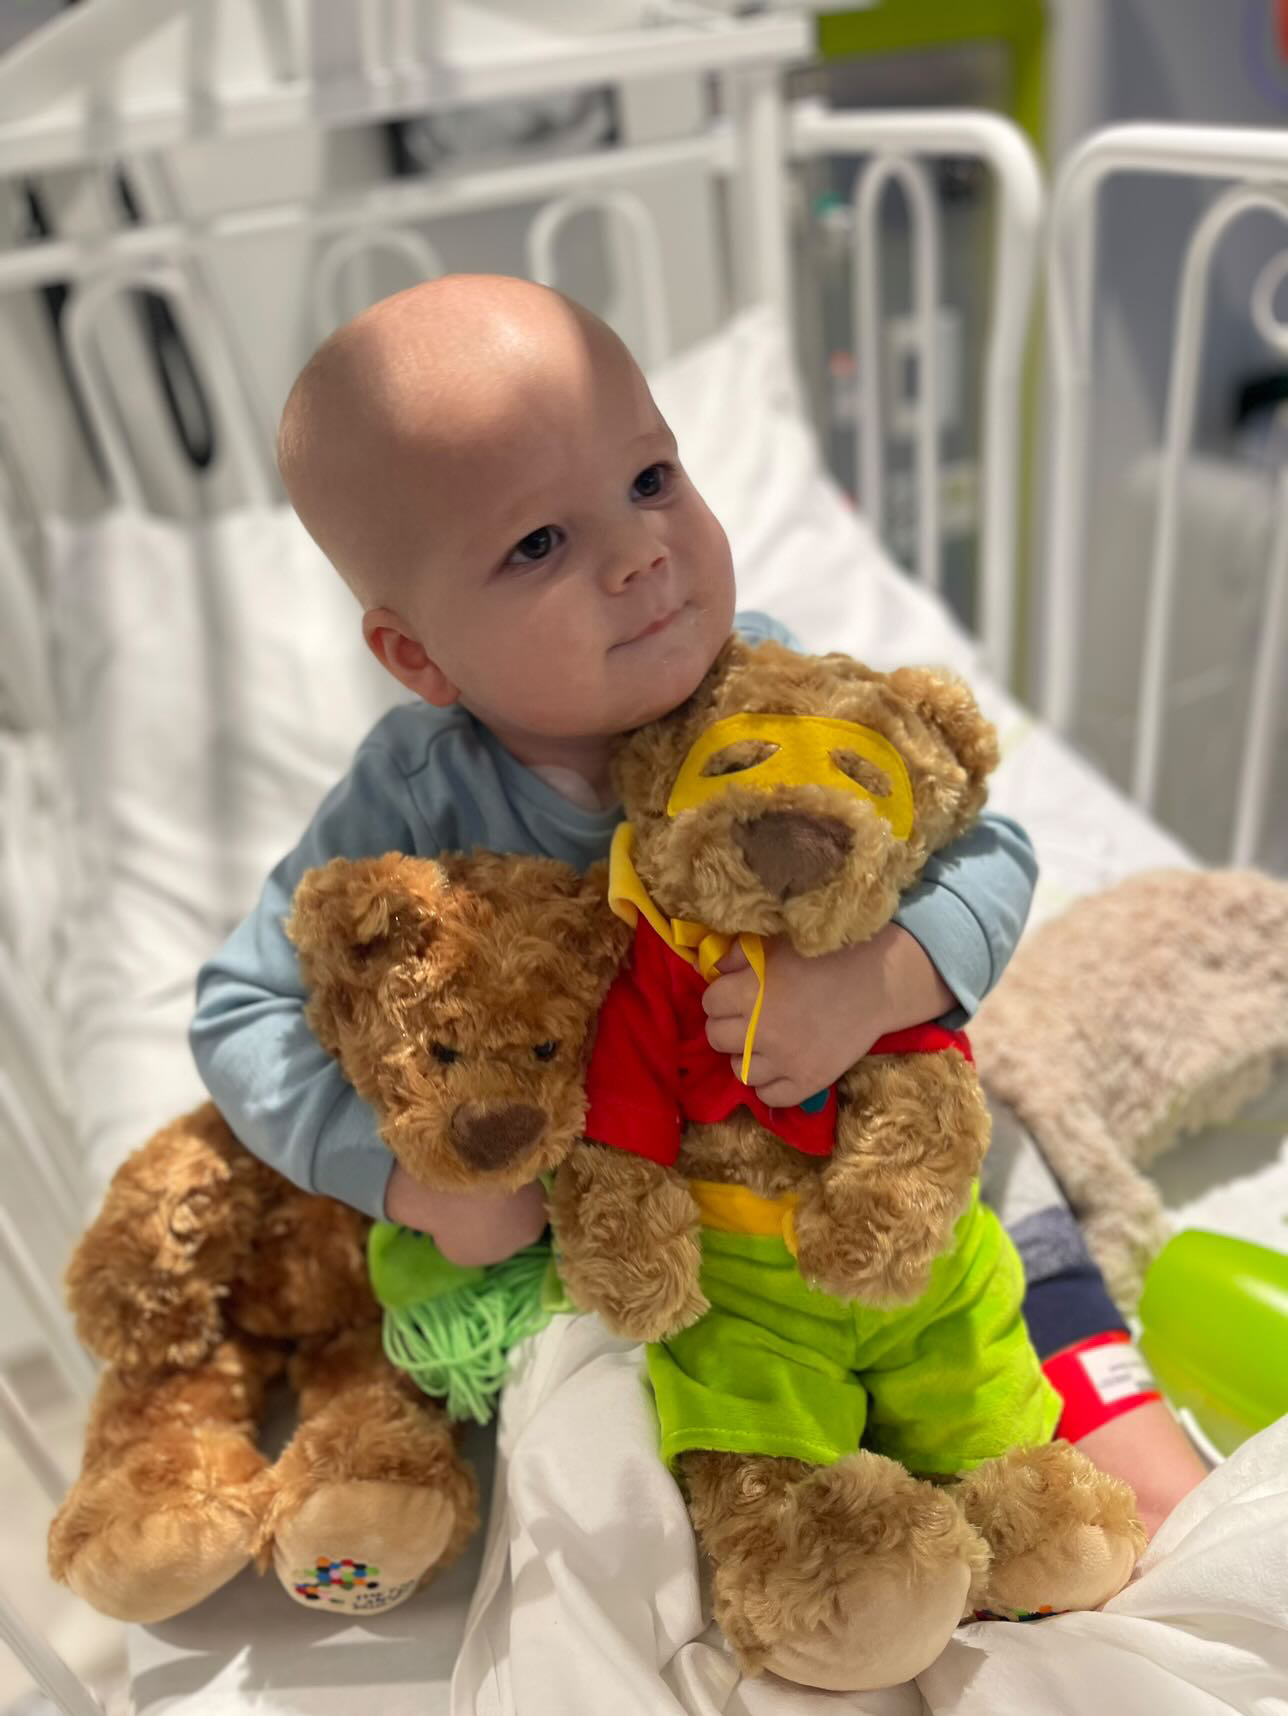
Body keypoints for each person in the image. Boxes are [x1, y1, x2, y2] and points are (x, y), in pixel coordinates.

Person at [190, 273, 1206, 1541]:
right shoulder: (414, 799)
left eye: (651, 478)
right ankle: (803, 1529)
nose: (640, 552)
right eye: (539, 546)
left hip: (848, 1144)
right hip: (648, 1235)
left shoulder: (771, 689)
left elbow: (987, 846)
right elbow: (241, 1008)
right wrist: (404, 1184)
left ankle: (1112, 1416)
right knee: (615, 1455)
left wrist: (879, 983)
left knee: (999, 1178)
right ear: (418, 656)